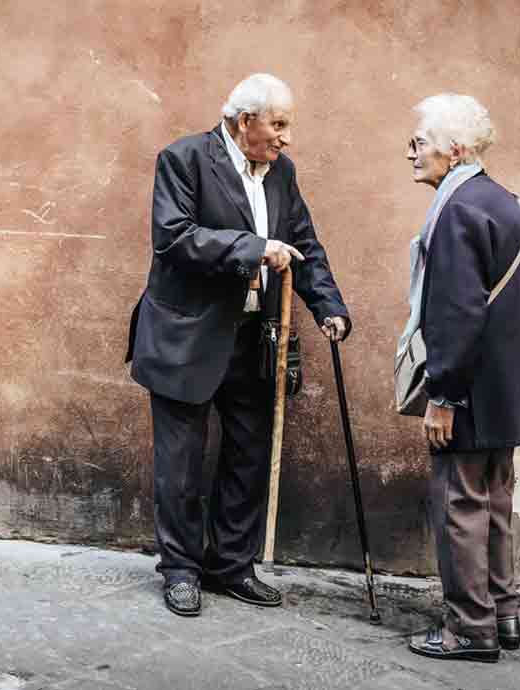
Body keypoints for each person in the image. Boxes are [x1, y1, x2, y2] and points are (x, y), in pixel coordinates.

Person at [125, 73, 351, 617]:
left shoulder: (283, 173)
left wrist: (330, 307)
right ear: (244, 120)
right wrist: (253, 248)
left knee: (248, 457)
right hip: (187, 336)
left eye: (286, 125)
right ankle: (180, 569)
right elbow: (175, 237)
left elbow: (304, 244)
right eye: (278, 124)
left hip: (254, 338)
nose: (286, 137)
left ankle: (231, 565)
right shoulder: (183, 160)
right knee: (179, 464)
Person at [400, 94, 520, 662]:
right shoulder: (507, 202)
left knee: (460, 504)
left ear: (454, 149)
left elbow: (457, 313)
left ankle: (469, 629)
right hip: (507, 392)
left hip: (469, 392)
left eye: (420, 142)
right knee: (496, 500)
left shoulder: (457, 209)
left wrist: (443, 395)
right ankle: (503, 614)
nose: (412, 152)